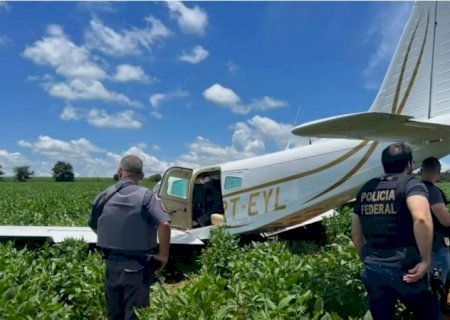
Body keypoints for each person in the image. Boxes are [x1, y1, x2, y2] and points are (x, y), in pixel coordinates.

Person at [351, 143, 437, 320]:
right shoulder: (411, 184)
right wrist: (426, 261)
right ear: (409, 164)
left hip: (374, 269)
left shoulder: (367, 188)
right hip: (407, 270)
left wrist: (365, 258)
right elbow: (421, 218)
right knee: (429, 311)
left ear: (384, 165)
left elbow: (356, 233)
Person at [88, 155, 171, 320]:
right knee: (135, 315)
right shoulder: (147, 196)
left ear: (120, 172)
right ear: (141, 175)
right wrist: (163, 255)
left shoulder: (105, 195)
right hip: (138, 265)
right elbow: (165, 224)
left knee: (114, 314)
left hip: (111, 264)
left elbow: (94, 224)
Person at [421, 157, 450, 283]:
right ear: (438, 171)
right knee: (436, 288)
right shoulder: (432, 191)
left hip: (416, 246)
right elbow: (445, 220)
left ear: (422, 171)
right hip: (435, 247)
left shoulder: (413, 189)